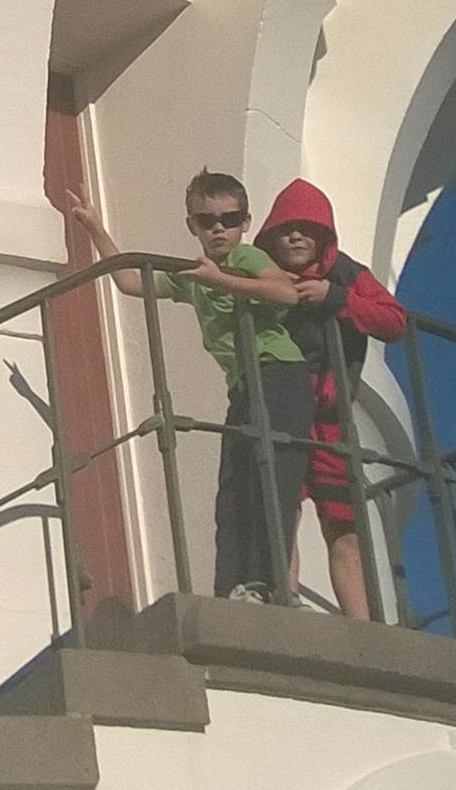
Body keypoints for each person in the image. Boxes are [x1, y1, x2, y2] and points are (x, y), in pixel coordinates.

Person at [66, 170, 314, 601]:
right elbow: (130, 283)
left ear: (245, 222)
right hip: (244, 384)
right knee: (234, 484)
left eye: (229, 218)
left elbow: (285, 292)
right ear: (192, 225)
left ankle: (268, 583)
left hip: (278, 374)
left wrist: (220, 280)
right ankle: (233, 587)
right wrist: (94, 226)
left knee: (269, 477)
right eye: (206, 220)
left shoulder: (246, 259)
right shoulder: (193, 272)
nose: (219, 227)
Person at [252, 179, 406, 622]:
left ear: (323, 234)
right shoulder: (261, 276)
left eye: (307, 227)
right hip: (280, 408)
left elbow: (393, 321)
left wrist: (335, 297)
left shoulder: (347, 274)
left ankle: (362, 625)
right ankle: (286, 604)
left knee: (344, 523)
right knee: (281, 510)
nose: (296, 236)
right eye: (287, 229)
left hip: (330, 415)